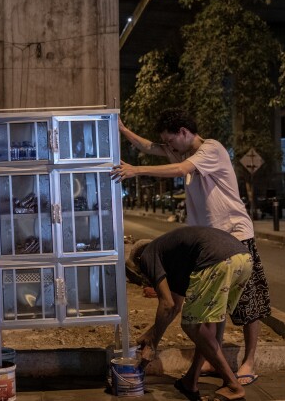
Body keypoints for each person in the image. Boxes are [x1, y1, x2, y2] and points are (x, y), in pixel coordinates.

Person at [113, 108, 270, 386]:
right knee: (212, 308)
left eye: (171, 140)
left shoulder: (211, 149)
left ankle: (249, 361)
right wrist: (123, 130)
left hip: (236, 235)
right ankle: (212, 359)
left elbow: (181, 169)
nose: (168, 146)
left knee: (248, 306)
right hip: (208, 245)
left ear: (184, 133)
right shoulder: (182, 151)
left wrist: (135, 170)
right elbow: (150, 146)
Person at [127, 227, 252, 401]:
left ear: (140, 261)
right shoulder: (174, 258)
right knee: (205, 325)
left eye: (142, 273)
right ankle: (190, 381)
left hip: (216, 260)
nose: (145, 279)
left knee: (191, 325)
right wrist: (150, 333)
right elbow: (175, 306)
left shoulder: (148, 255)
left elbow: (166, 304)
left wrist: (152, 346)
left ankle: (233, 385)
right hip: (243, 259)